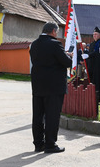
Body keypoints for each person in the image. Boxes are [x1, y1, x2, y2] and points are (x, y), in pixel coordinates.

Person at [30, 22, 72, 153]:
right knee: (52, 116)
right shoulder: (55, 44)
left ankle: (38, 143)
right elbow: (66, 62)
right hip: (53, 86)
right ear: (53, 31)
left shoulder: (34, 44)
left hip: (37, 85)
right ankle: (50, 144)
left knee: (38, 115)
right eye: (57, 32)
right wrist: (69, 56)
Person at [85, 27, 100, 103]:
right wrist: (87, 66)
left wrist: (89, 55)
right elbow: (90, 56)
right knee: (92, 82)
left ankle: (99, 98)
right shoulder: (92, 44)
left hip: (98, 68)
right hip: (91, 67)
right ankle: (92, 97)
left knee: (98, 82)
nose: (94, 35)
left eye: (96, 34)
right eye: (93, 34)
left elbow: (99, 54)